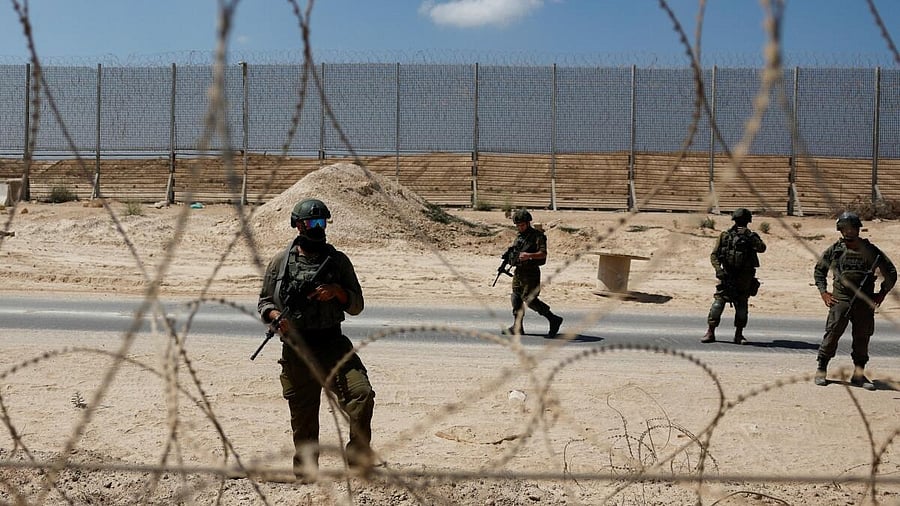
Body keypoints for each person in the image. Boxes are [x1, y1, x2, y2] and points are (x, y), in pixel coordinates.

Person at [257, 198, 376, 482]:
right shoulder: (280, 263)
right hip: (297, 348)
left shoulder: (337, 261)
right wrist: (275, 316)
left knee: (362, 395)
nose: (318, 228)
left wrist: (337, 292)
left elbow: (357, 305)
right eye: (312, 223)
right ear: (298, 225)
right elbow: (264, 303)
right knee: (304, 417)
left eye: (322, 222)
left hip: (333, 344)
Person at [812, 211, 896, 390]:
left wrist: (881, 294)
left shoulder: (871, 250)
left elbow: (891, 272)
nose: (849, 232)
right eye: (845, 229)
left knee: (862, 338)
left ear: (858, 229)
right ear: (841, 230)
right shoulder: (835, 249)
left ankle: (858, 375)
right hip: (840, 299)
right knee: (832, 334)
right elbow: (819, 271)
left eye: (852, 228)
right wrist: (823, 292)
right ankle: (821, 370)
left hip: (864, 301)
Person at [701, 208, 766, 344]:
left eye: (743, 221)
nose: (740, 224)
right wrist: (718, 269)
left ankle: (739, 334)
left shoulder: (751, 237)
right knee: (718, 305)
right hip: (727, 276)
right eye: (738, 221)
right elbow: (714, 255)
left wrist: (749, 236)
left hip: (744, 279)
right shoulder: (725, 236)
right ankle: (710, 332)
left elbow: (762, 248)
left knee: (742, 308)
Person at [502, 209, 563, 338]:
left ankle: (553, 319)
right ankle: (517, 326)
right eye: (518, 225)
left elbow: (543, 253)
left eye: (522, 225)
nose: (520, 227)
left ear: (528, 223)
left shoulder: (537, 236)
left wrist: (529, 255)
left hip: (531, 273)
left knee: (530, 300)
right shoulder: (520, 237)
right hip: (519, 272)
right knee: (516, 297)